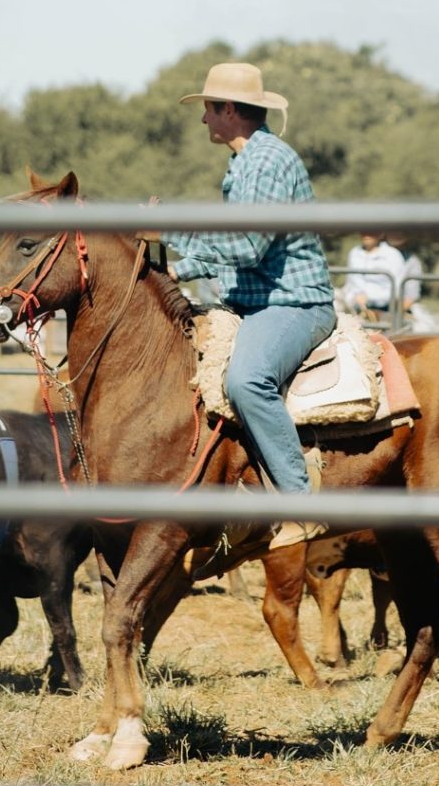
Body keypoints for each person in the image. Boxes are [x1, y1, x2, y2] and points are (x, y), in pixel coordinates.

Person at [140, 62, 337, 550]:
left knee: (246, 381)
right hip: (256, 300)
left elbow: (247, 246)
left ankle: (301, 503)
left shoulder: (267, 161)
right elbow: (232, 249)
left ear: (229, 110)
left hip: (293, 303)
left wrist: (173, 234)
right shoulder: (245, 162)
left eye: (208, 109)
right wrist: (173, 270)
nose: (204, 120)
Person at [340, 232, 405, 315]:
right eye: (364, 231)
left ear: (381, 234)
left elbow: (397, 290)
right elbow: (350, 283)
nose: (366, 235)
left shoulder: (393, 255)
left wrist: (369, 298)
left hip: (384, 311)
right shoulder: (354, 253)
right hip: (354, 308)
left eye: (371, 231)